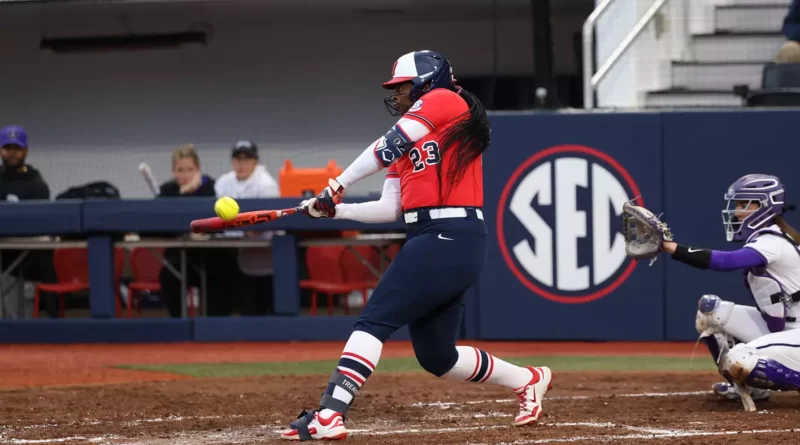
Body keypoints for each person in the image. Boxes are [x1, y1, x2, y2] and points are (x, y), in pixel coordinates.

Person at [280, 50, 553, 441]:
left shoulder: (445, 100)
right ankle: (529, 379)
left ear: (426, 82)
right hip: (436, 238)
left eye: (403, 86)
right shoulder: (413, 139)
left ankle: (329, 413)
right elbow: (390, 208)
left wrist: (337, 183)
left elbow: (384, 147)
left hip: (450, 234)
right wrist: (334, 212)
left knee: (373, 320)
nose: (397, 95)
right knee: (438, 357)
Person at [660, 173, 800, 411]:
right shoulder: (766, 238)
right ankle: (754, 390)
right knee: (710, 312)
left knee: (739, 358)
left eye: (743, 204)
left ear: (765, 206)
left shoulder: (772, 241)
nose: (736, 212)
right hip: (785, 328)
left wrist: (669, 247)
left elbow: (726, 261)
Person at [156, 144, 226, 317]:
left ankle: (213, 326)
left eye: (190, 169)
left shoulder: (211, 187)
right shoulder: (167, 191)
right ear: (173, 171)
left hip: (210, 257)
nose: (185, 175)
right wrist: (184, 193)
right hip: (178, 258)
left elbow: (220, 223)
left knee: (220, 276)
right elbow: (158, 225)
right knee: (168, 277)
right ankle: (178, 323)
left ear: (198, 169)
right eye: (180, 170)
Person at [214, 140, 280, 315]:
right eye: (238, 159)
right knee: (247, 309)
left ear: (255, 161)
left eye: (247, 159)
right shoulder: (223, 182)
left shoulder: (267, 184)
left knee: (269, 308)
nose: (242, 164)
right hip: (237, 255)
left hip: (267, 256)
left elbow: (266, 222)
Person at [0, 125, 59, 317]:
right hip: (3, 254)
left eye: (17, 149)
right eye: (7, 148)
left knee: (24, 308)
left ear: (25, 150)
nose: (12, 154)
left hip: (30, 257)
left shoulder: (36, 184)